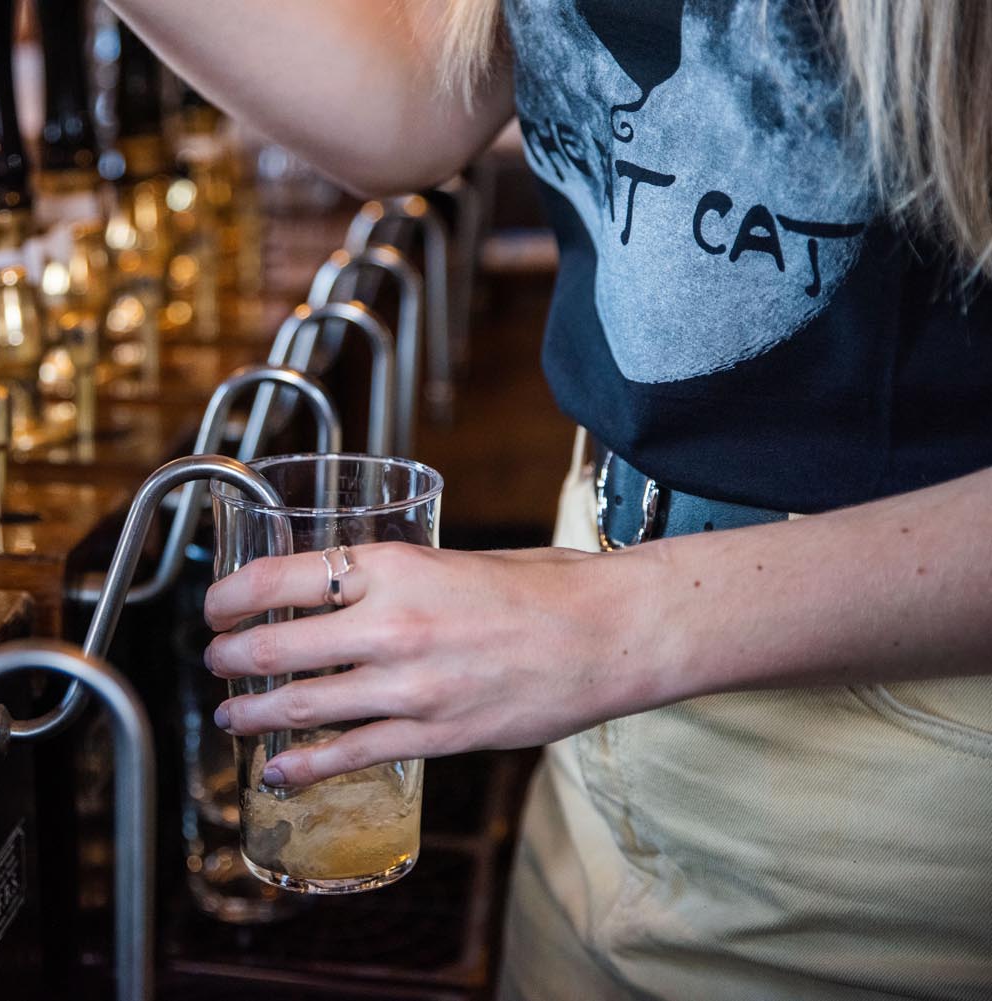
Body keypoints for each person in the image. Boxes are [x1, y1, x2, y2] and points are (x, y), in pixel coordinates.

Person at [108, 2, 992, 999]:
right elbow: (413, 98)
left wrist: (612, 623)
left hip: (911, 786)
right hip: (594, 737)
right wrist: (597, 630)